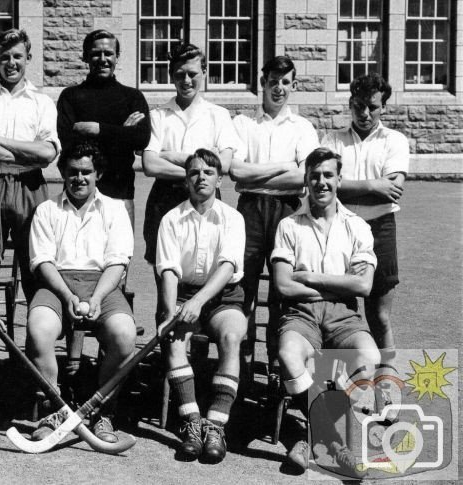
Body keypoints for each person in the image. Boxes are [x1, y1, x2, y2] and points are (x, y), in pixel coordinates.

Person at [272, 148, 380, 476]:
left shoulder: (357, 226)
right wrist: (337, 284)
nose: (322, 182)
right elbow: (284, 286)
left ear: (339, 180)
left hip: (343, 314)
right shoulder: (289, 225)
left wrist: (311, 278)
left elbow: (363, 287)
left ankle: (309, 437)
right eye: (315, 176)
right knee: (290, 354)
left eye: (328, 175)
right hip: (301, 312)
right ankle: (332, 441)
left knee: (369, 357)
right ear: (306, 181)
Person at [27, 140, 136, 444]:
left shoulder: (115, 209)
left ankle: (102, 410)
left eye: (86, 172)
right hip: (57, 283)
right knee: (39, 330)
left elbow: (118, 262)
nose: (79, 178)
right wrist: (68, 296)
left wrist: (98, 297)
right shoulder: (46, 210)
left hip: (103, 283)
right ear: (62, 172)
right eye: (73, 171)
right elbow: (43, 262)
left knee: (125, 335)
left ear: (98, 173)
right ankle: (54, 409)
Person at [320, 73, 408, 405]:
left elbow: (393, 189)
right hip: (339, 230)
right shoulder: (332, 139)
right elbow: (324, 187)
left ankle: (387, 388)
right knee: (336, 312)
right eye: (358, 106)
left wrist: (345, 184)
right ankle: (336, 390)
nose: (365, 114)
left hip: (380, 229)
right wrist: (373, 186)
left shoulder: (395, 141)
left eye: (372, 107)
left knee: (379, 315)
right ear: (350, 104)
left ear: (383, 106)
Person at [155, 149, 247, 464]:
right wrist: (170, 312)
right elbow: (168, 270)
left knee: (232, 336)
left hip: (223, 295)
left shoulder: (233, 217)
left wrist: (197, 302)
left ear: (219, 179)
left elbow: (226, 267)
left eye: (208, 173)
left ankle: (216, 425)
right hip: (181, 295)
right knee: (175, 339)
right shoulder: (171, 218)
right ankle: (192, 423)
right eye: (194, 172)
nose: (201, 178)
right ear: (186, 180)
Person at [231, 55, 320, 369]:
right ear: (262, 83)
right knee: (244, 286)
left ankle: (275, 363)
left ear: (293, 85)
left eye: (285, 82)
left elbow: (303, 176)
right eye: (273, 81)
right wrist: (284, 165)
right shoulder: (243, 123)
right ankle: (241, 361)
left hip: (288, 210)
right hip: (250, 209)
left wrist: (263, 172)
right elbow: (236, 171)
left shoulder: (303, 127)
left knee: (283, 290)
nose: (278, 88)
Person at [140, 44, 242, 310]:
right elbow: (150, 164)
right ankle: (166, 341)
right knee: (166, 274)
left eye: (193, 73)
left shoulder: (218, 115)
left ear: (205, 72)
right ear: (171, 75)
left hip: (207, 201)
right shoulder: (159, 116)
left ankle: (198, 341)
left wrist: (172, 155)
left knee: (206, 265)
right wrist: (198, 169)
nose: (186, 80)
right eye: (179, 74)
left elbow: (225, 164)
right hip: (164, 199)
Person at [0, 28, 60, 301]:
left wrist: (0, 141)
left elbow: (47, 154)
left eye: (18, 56)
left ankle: (35, 338)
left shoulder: (42, 102)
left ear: (28, 58)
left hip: (30, 186)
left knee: (35, 262)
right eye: (5, 57)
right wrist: (25, 152)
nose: (11, 63)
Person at [57, 29, 151, 227]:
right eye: (95, 54)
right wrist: (122, 133)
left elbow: (141, 138)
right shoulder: (70, 96)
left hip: (121, 195)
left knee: (119, 256)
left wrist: (96, 129)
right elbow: (68, 144)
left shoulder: (132, 97)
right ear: (85, 57)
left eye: (108, 53)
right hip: (79, 198)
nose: (102, 59)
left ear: (117, 57)